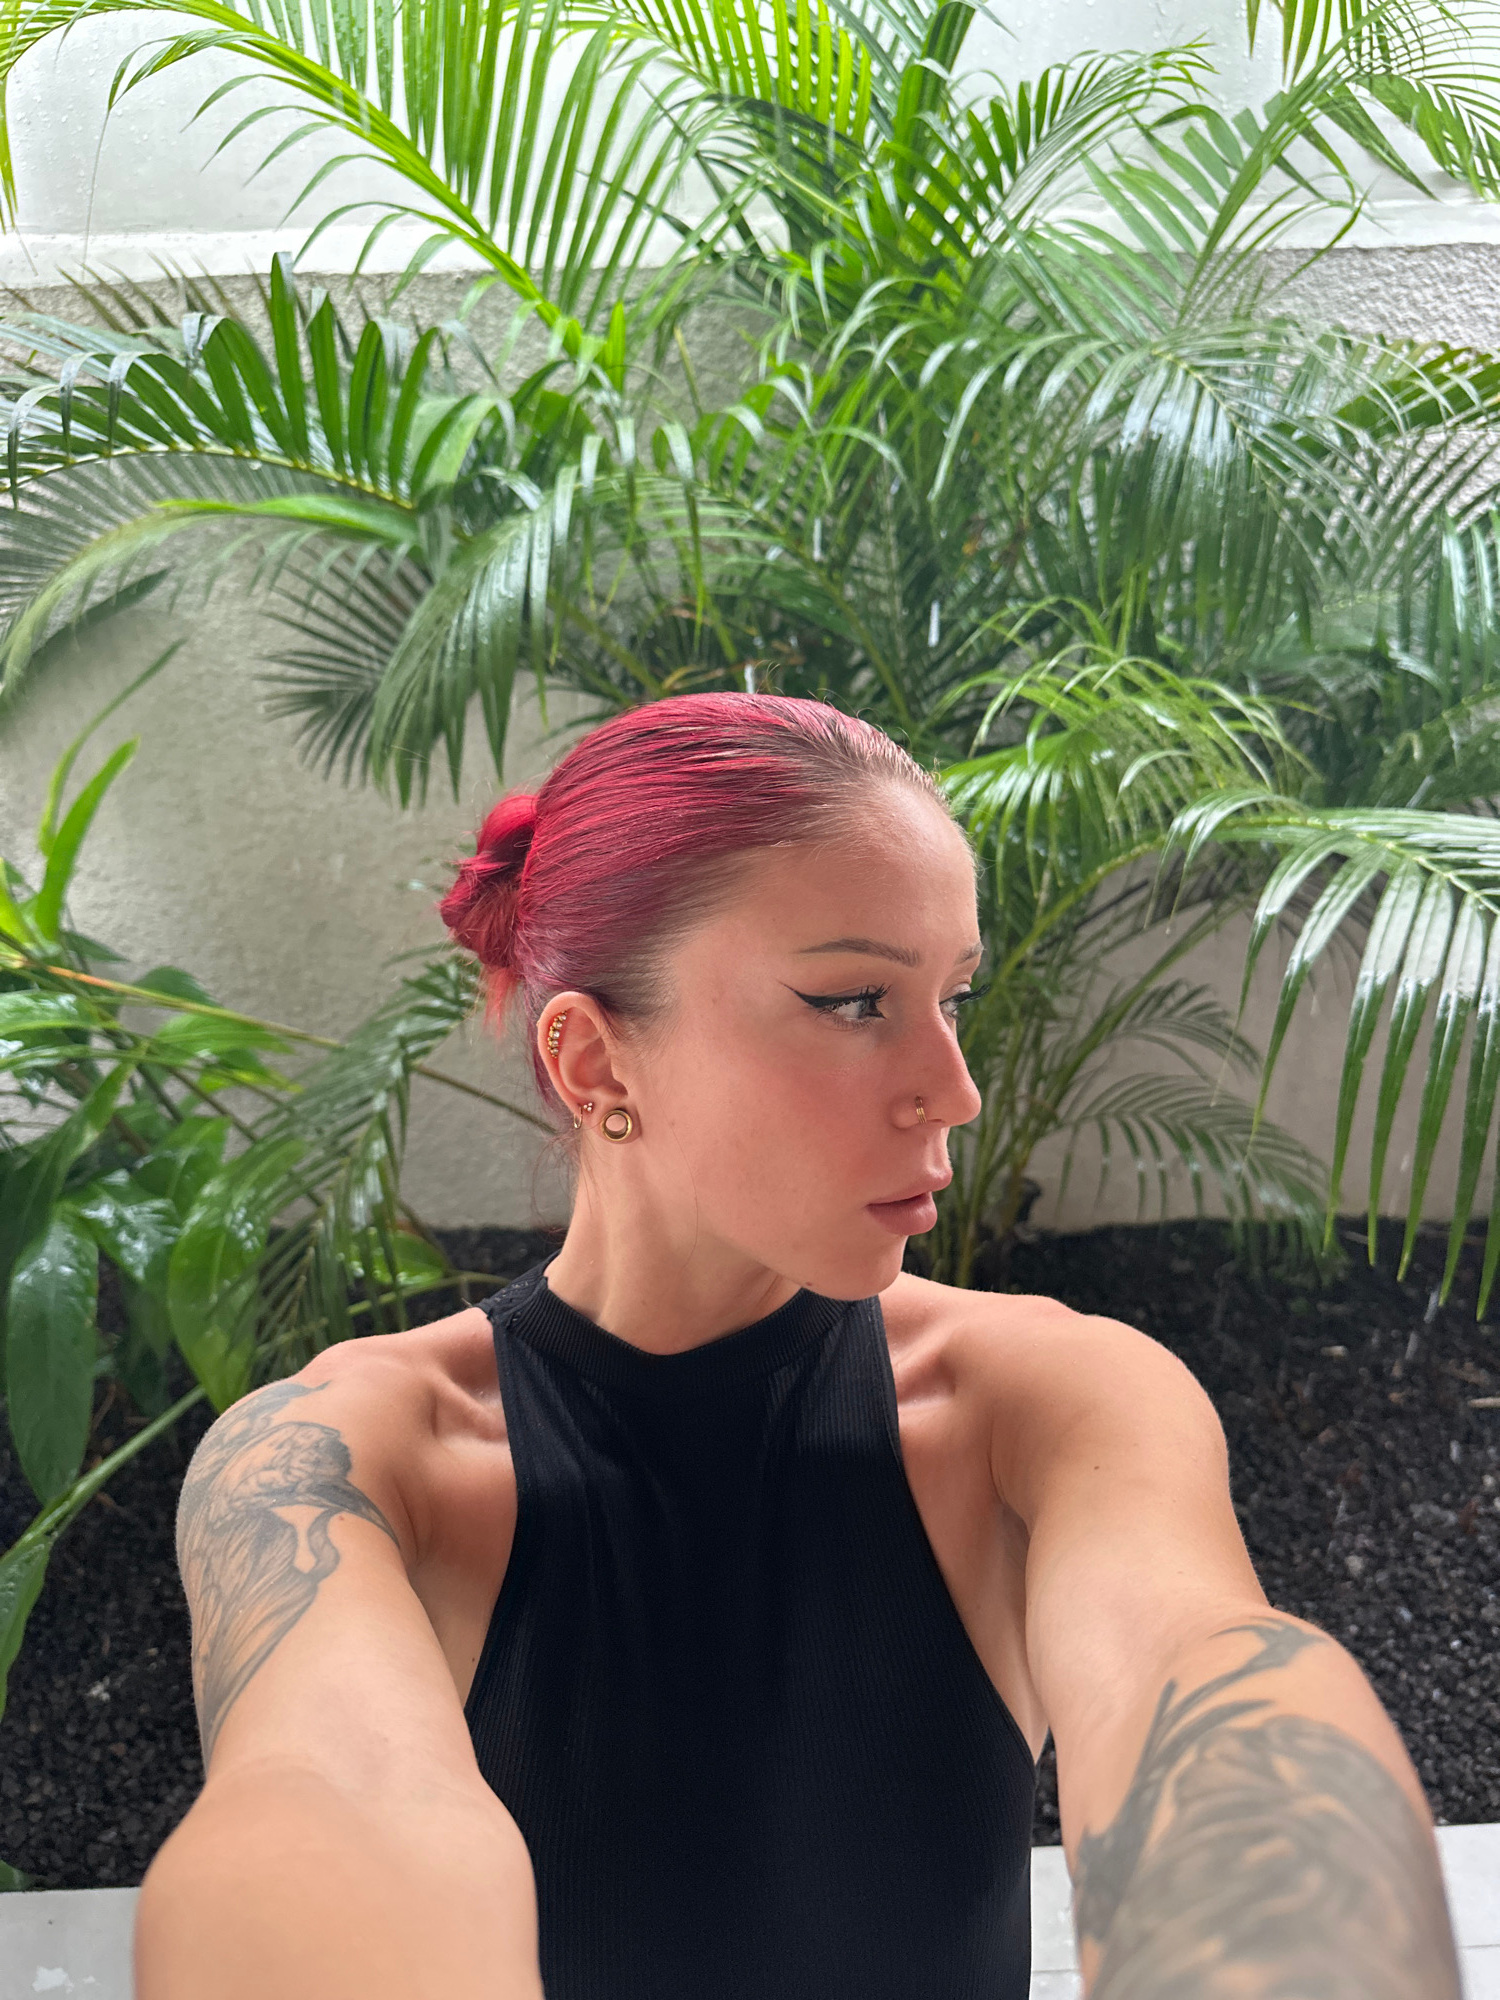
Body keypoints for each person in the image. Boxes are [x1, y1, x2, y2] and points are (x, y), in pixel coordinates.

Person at [135, 694, 1460, 2000]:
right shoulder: (336, 1463)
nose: (954, 1089)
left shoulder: (1052, 1400)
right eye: (853, 1001)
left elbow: (1200, 1679)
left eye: (951, 996)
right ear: (596, 1064)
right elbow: (325, 1806)